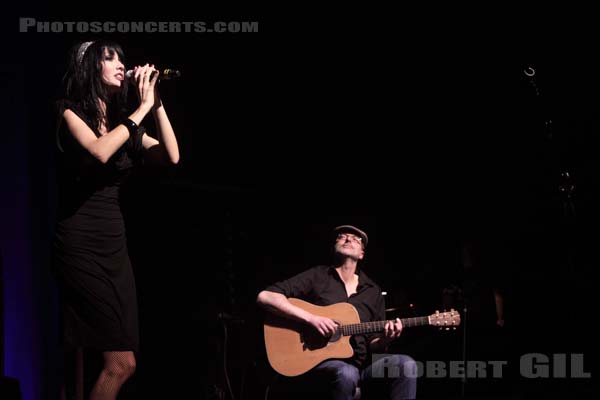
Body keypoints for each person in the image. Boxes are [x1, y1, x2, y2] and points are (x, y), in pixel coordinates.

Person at [51, 39, 180, 399]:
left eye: (122, 58)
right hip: (78, 244)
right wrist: (140, 111)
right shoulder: (67, 111)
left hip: (114, 245)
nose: (121, 64)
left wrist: (157, 105)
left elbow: (171, 157)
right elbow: (99, 151)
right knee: (120, 363)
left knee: (123, 362)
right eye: (110, 58)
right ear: (90, 67)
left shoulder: (129, 125)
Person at [257, 225, 417, 400]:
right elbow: (266, 296)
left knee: (406, 364)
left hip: (363, 368)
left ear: (362, 254)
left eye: (356, 238)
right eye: (342, 236)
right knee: (346, 373)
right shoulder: (318, 275)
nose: (348, 239)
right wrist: (311, 318)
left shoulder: (373, 291)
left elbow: (373, 342)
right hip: (320, 365)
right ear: (334, 246)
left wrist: (386, 339)